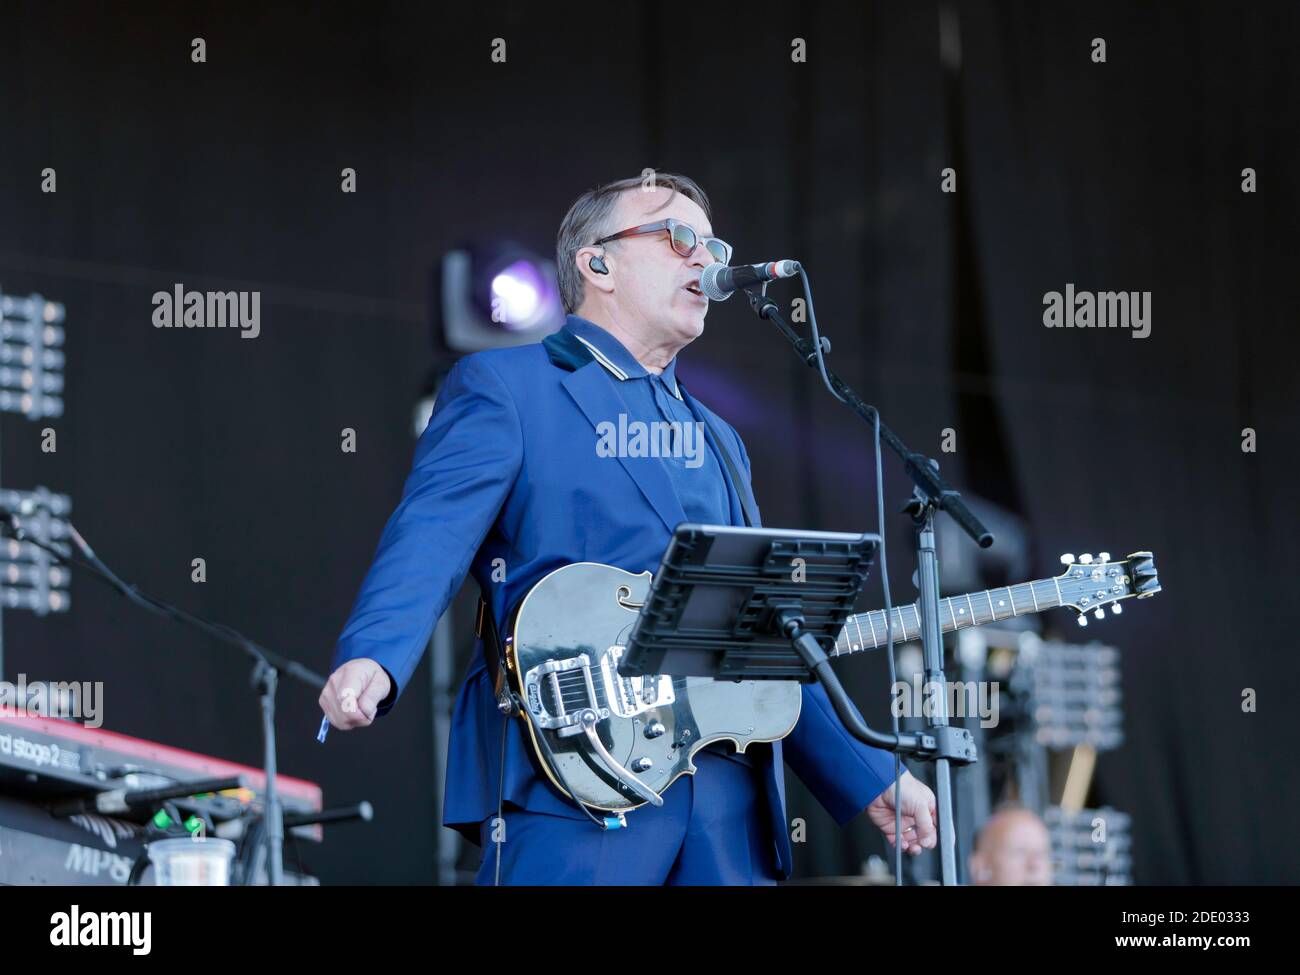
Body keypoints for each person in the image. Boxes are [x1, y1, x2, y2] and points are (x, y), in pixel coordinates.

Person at [319, 172, 937, 884]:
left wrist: (872, 775)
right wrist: (376, 653)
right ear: (599, 262)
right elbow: (429, 535)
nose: (704, 259)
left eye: (713, 244)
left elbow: (767, 634)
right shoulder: (510, 387)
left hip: (725, 806)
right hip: (576, 783)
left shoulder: (719, 439)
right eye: (679, 237)